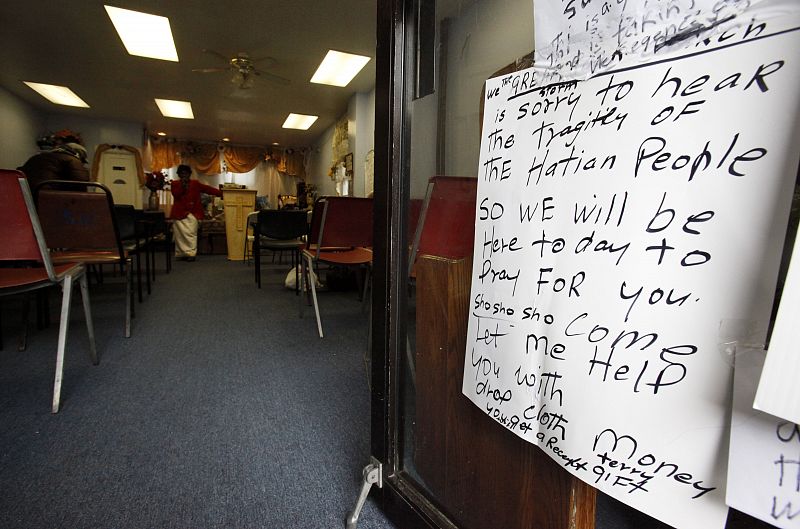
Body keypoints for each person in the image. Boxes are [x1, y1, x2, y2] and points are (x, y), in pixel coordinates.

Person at [170, 164, 222, 261]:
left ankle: (190, 254)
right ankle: (181, 254)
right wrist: (183, 186)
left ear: (189, 174)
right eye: (182, 173)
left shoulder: (195, 183)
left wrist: (222, 193)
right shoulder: (174, 184)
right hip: (179, 213)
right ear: (179, 175)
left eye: (186, 173)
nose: (184, 175)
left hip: (193, 213)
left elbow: (208, 189)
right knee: (180, 236)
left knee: (191, 234)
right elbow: (176, 194)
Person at [18, 141, 90, 191]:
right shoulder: (73, 160)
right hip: (48, 197)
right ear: (79, 155)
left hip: (24, 193)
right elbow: (80, 183)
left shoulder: (37, 157)